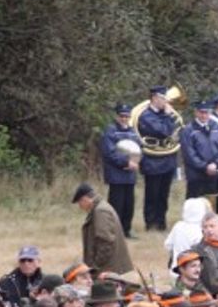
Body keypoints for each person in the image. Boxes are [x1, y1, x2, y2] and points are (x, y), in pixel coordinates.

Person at [137, 86, 180, 232]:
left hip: (167, 160)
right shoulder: (146, 116)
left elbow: (175, 132)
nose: (166, 102)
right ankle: (150, 224)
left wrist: (168, 119)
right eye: (163, 98)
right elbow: (164, 132)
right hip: (152, 161)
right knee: (152, 195)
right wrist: (168, 117)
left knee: (163, 195)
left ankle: (161, 223)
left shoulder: (165, 114)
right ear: (154, 98)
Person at [73, 183, 134, 275]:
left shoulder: (100, 211)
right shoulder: (100, 208)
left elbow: (106, 241)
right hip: (108, 266)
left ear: (85, 199)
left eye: (79, 203)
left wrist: (95, 265)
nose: (80, 206)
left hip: (107, 268)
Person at [99, 103, 140, 237]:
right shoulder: (110, 131)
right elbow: (110, 153)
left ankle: (127, 230)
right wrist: (125, 162)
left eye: (127, 116)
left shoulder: (132, 131)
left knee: (129, 204)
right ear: (117, 116)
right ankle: (114, 231)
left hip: (130, 174)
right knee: (117, 204)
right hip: (116, 174)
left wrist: (136, 161)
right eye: (122, 116)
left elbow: (138, 148)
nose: (124, 118)